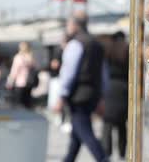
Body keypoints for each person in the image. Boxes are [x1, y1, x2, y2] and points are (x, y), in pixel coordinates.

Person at [54, 11, 108, 162]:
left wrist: (62, 95)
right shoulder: (97, 44)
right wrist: (102, 95)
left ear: (74, 25)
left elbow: (68, 72)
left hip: (78, 94)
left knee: (84, 131)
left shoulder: (76, 44)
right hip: (93, 93)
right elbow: (103, 73)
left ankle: (103, 158)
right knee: (76, 135)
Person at [101, 31, 129, 159]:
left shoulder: (108, 50)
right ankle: (122, 153)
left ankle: (107, 152)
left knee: (107, 122)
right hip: (124, 87)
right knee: (122, 123)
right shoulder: (128, 49)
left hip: (110, 88)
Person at [6, 42, 36, 108]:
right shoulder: (30, 57)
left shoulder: (18, 57)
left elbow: (14, 71)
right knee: (27, 102)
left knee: (19, 103)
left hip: (20, 82)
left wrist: (10, 82)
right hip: (29, 82)